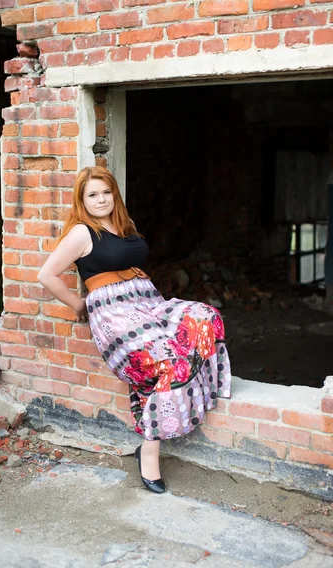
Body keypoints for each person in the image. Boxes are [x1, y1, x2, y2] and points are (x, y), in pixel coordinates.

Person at [37, 166, 232, 494]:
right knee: (166, 363)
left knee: (206, 317)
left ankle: (199, 393)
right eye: (92, 195)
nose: (101, 200)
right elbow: (46, 274)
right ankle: (150, 453)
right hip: (114, 315)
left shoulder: (123, 225)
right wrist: (78, 304)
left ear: (115, 194)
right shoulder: (82, 233)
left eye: (106, 193)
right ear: (82, 200)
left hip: (147, 302)